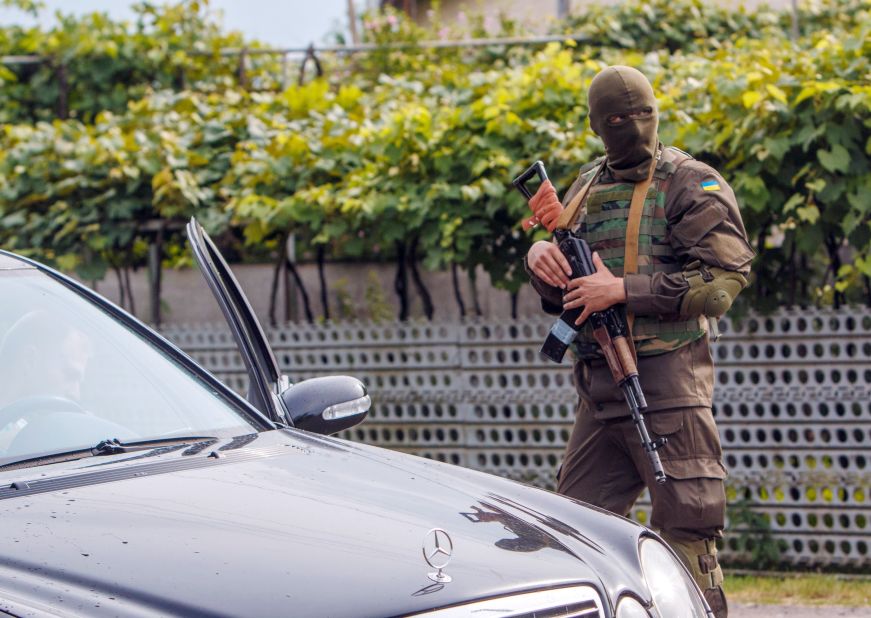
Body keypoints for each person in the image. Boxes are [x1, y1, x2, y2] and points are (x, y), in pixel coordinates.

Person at [523, 65, 754, 618]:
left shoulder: (688, 182)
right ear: (596, 125)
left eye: (643, 114)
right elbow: (566, 291)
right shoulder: (582, 187)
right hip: (600, 389)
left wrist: (621, 290)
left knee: (686, 534)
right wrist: (540, 263)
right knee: (574, 532)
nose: (633, 126)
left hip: (667, 384)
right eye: (618, 119)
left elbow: (723, 284)